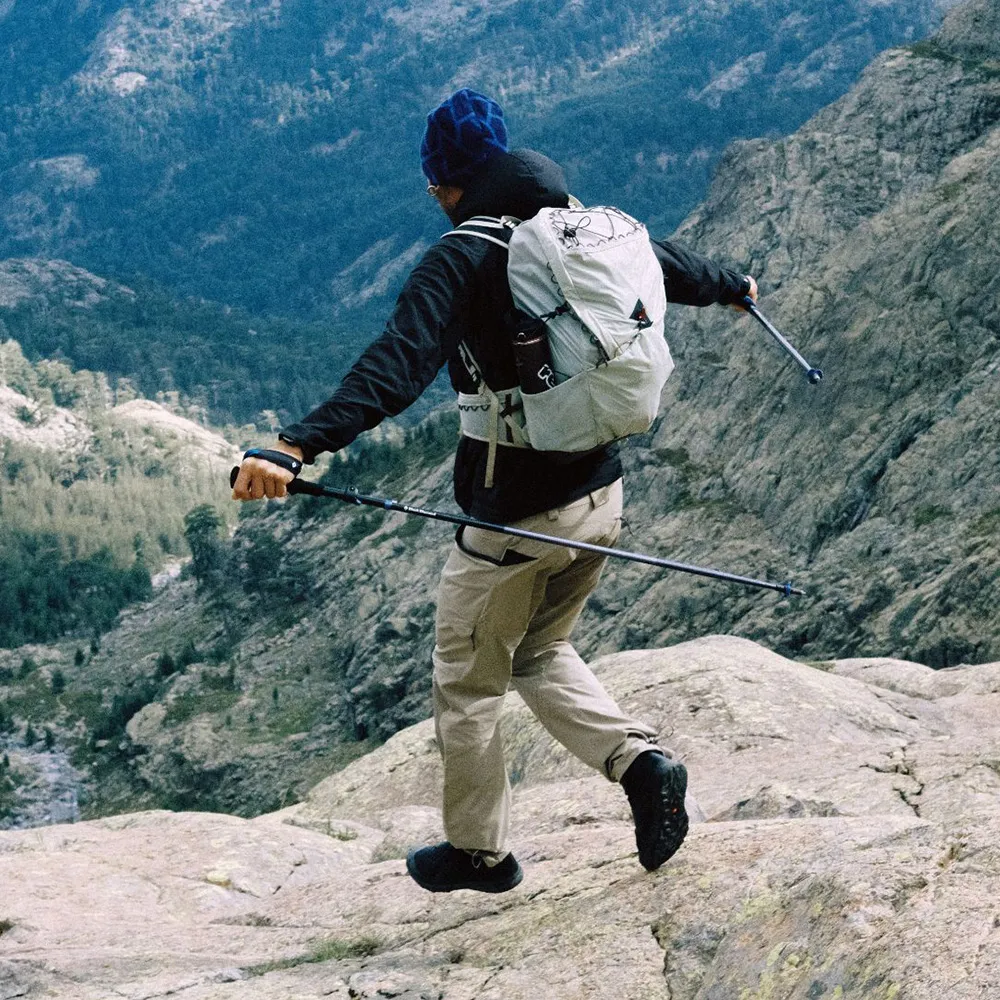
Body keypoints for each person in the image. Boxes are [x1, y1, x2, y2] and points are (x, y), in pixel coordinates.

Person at [232, 88, 758, 893]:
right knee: (539, 651)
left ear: (447, 183)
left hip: (514, 518)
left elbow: (397, 365)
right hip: (601, 500)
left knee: (468, 681)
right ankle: (643, 764)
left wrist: (295, 445)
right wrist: (733, 284)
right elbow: (675, 266)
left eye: (434, 188)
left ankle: (480, 853)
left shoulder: (468, 252)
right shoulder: (583, 227)